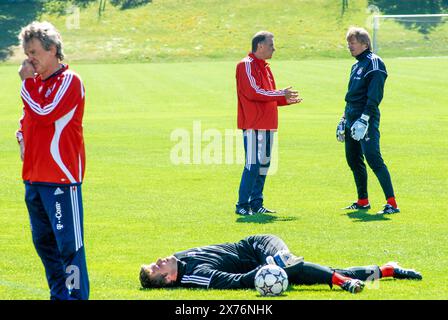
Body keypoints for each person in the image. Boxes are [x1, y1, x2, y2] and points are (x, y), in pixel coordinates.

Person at [16, 21, 89, 300]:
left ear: (53, 50)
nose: (29, 59)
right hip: (33, 178)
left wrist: (25, 86)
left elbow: (45, 112)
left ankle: (76, 297)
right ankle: (59, 296)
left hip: (60, 178)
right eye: (27, 52)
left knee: (69, 247)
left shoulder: (70, 81)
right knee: (44, 244)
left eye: (34, 52)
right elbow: (27, 119)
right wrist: (21, 135)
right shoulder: (36, 85)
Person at [139, 234, 422, 294]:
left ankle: (343, 283)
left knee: (287, 264)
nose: (160, 259)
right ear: (169, 280)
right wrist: (264, 274)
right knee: (302, 272)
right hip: (260, 262)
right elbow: (237, 282)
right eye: (157, 267)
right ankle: (388, 270)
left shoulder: (180, 256)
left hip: (259, 243)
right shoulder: (196, 277)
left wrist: (269, 266)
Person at [234, 31, 302, 216]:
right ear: (260, 46)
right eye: (271, 45)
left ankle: (257, 203)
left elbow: (268, 94)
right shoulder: (245, 65)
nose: (274, 48)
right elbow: (253, 92)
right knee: (252, 164)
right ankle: (242, 204)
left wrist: (284, 100)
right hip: (253, 124)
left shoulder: (266, 67)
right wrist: (280, 94)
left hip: (268, 123)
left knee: (264, 164)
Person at [336, 27, 399, 215]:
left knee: (373, 159)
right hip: (351, 116)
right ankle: (363, 200)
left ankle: (392, 203)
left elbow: (375, 95)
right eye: (348, 43)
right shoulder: (355, 66)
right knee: (353, 160)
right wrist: (343, 118)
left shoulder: (375, 63)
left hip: (366, 118)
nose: (349, 47)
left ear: (364, 44)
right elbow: (351, 96)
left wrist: (364, 119)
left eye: (352, 43)